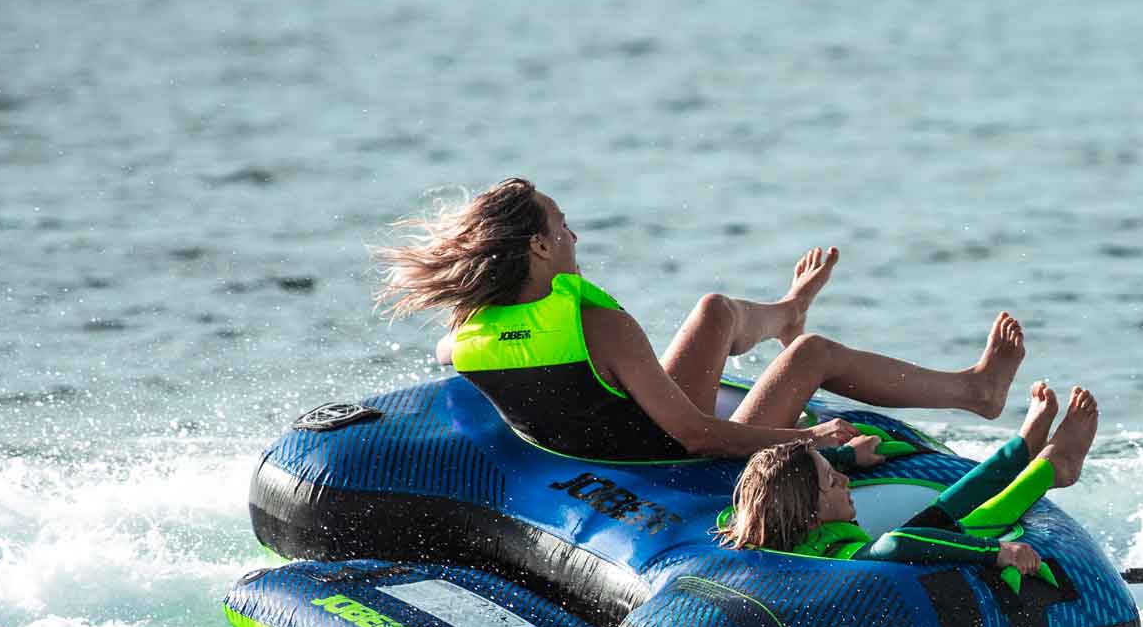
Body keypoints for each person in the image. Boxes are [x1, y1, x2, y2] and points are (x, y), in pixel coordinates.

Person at [375, 177, 1026, 463]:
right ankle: (977, 391)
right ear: (540, 247)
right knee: (811, 356)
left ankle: (787, 311)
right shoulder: (600, 326)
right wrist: (815, 440)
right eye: (562, 224)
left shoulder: (462, 342)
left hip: (600, 452)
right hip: (664, 460)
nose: (573, 234)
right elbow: (695, 436)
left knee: (715, 310)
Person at [724, 380, 1100, 588]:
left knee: (941, 514)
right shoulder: (847, 558)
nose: (844, 481)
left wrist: (844, 456)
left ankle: (1022, 450)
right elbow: (896, 543)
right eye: (831, 481)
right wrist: (995, 551)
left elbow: (777, 473)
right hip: (892, 604)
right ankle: (1050, 468)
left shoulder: (779, 533)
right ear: (809, 513)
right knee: (963, 521)